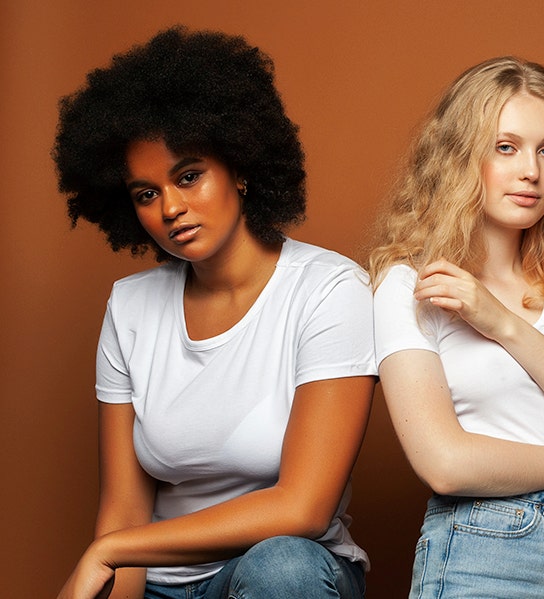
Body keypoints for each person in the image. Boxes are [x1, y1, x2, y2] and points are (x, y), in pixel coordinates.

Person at [53, 27, 375, 599]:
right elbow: (125, 508)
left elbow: (302, 506)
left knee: (284, 568)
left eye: (188, 175)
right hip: (157, 584)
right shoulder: (130, 308)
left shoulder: (328, 290)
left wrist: (111, 549)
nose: (171, 207)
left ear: (241, 167)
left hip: (280, 574)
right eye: (145, 193)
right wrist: (112, 557)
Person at [368, 56, 544, 598]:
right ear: (461, 156)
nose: (531, 172)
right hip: (487, 547)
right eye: (506, 147)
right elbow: (444, 463)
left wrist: (501, 323)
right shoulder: (411, 284)